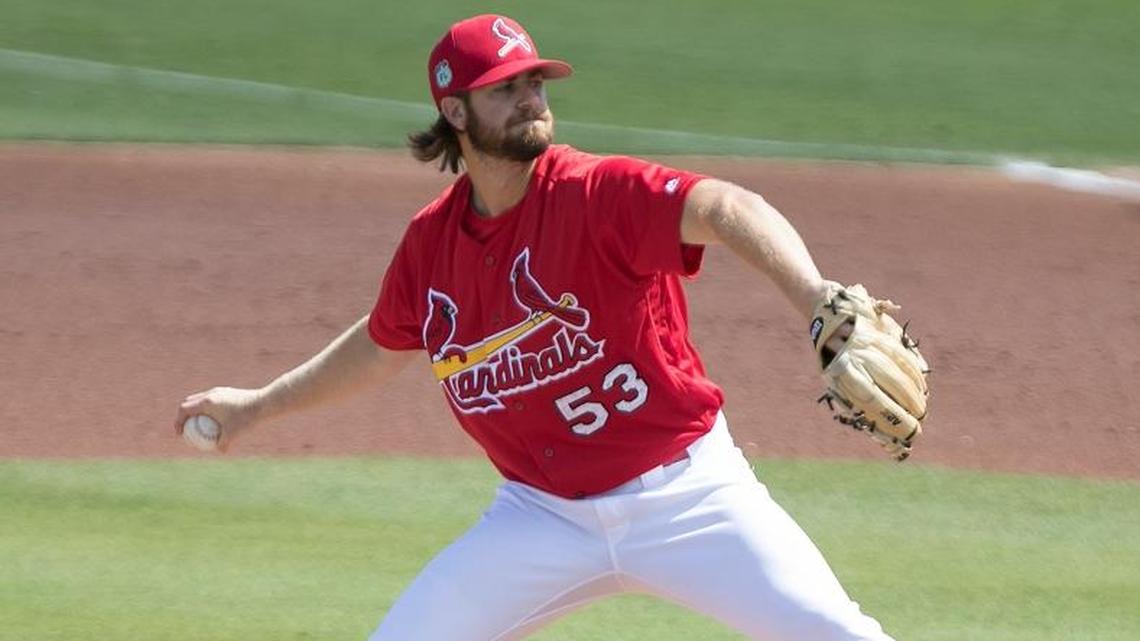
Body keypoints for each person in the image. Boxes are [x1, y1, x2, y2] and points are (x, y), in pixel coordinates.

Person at [176, 14, 908, 641]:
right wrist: (257, 404)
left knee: (836, 633)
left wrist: (817, 296)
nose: (531, 98)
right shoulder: (432, 246)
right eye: (507, 88)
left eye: (536, 83)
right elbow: (379, 344)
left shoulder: (596, 192)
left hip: (689, 496)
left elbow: (724, 208)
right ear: (456, 112)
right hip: (540, 518)